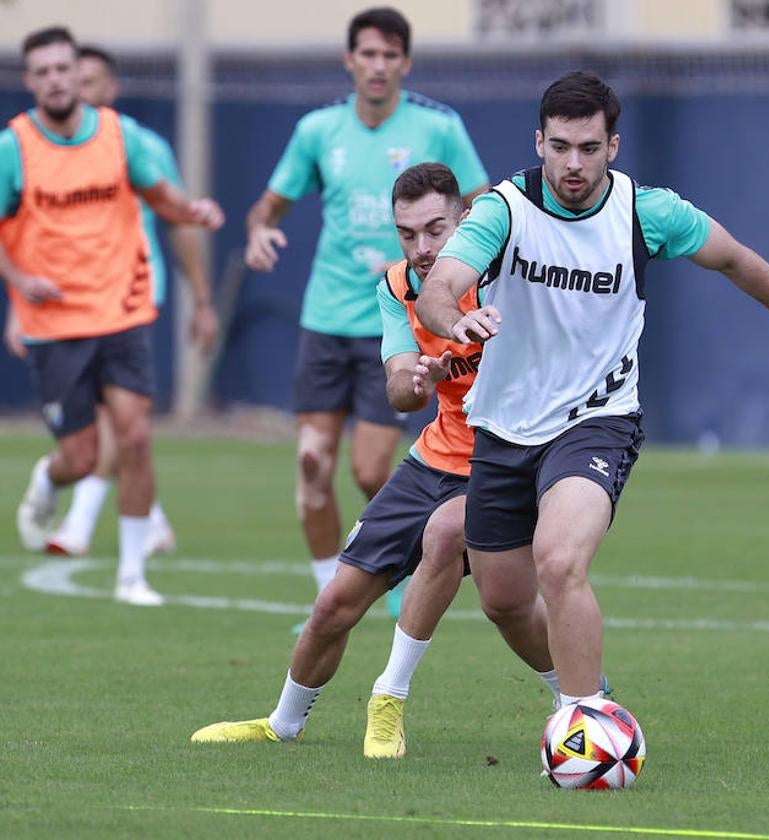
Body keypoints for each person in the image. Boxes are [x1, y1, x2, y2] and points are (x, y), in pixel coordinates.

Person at [415, 71, 769, 705]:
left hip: (598, 418)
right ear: (538, 142)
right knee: (504, 601)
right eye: (561, 147)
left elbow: (735, 258)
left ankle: (586, 723)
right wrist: (452, 316)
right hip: (503, 424)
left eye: (590, 149)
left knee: (561, 560)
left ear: (614, 147)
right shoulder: (502, 210)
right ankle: (584, 686)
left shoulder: (647, 211)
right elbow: (439, 287)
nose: (574, 164)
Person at [191, 164, 558, 757]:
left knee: (456, 550)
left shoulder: (509, 278)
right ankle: (282, 723)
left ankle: (389, 698)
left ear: (466, 219)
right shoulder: (396, 287)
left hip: (511, 462)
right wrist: (417, 377)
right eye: (407, 234)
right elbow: (397, 391)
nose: (423, 248)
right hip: (434, 461)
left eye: (436, 229)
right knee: (335, 604)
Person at [242, 7, 489, 609]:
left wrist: (440, 268)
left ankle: (397, 566)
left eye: (389, 55)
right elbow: (267, 207)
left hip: (409, 321)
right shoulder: (317, 131)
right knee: (311, 463)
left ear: (404, 62)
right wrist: (258, 232)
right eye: (367, 54)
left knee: (370, 468)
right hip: (327, 317)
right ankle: (330, 589)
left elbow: (486, 210)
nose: (377, 66)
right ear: (349, 60)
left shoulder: (440, 127)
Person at [3, 26, 224, 605]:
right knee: (79, 456)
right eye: (42, 71)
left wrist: (192, 209)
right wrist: (21, 281)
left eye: (63, 68)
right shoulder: (14, 147)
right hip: (54, 323)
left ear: (80, 74)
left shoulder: (121, 138)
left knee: (133, 439)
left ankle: (131, 575)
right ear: (30, 81)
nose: (55, 79)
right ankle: (50, 479)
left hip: (121, 311)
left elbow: (162, 199)